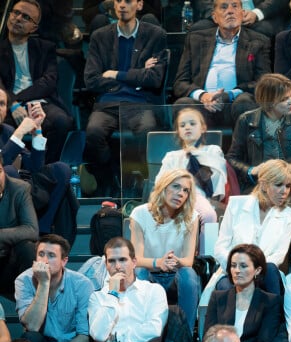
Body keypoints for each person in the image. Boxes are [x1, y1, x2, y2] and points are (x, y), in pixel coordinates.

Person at [83, 0, 167, 196]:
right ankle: (107, 178)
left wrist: (115, 74)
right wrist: (137, 76)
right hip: (108, 102)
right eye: (118, 1)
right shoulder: (100, 36)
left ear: (139, 5)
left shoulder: (155, 35)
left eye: (128, 1)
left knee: (147, 130)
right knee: (94, 133)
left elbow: (154, 79)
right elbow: (91, 80)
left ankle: (138, 182)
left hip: (140, 103)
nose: (122, 5)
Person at [173, 0, 271, 129]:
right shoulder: (195, 39)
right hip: (203, 104)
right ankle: (191, 149)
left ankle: (245, 149)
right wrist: (203, 96)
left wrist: (229, 95)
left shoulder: (258, 41)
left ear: (242, 13)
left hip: (235, 103)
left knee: (245, 102)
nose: (230, 11)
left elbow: (263, 82)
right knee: (183, 104)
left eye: (235, 6)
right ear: (214, 17)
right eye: (224, 7)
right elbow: (180, 83)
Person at [0, 0, 74, 163]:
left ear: (34, 28)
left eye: (26, 17)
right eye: (16, 13)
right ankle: (11, 171)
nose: (18, 18)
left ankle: (46, 169)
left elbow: (49, 81)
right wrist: (12, 104)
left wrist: (18, 101)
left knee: (62, 122)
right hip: (8, 105)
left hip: (41, 103)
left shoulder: (45, 48)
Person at [130, 169, 200, 334]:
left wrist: (174, 261)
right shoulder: (140, 214)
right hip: (149, 273)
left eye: (185, 190)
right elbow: (136, 259)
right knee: (138, 271)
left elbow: (188, 260)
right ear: (163, 187)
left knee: (189, 274)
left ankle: (187, 336)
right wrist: (158, 263)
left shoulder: (192, 216)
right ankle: (138, 330)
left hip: (175, 275)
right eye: (176, 187)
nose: (180, 193)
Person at [0, 87, 75, 240]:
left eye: (1, 104)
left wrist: (37, 132)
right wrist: (19, 132)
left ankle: (41, 230)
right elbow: (3, 164)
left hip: (22, 186)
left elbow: (35, 167)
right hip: (7, 198)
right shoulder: (13, 132)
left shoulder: (6, 130)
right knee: (8, 172)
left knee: (61, 169)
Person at [213, 159, 291, 295]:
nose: (284, 191)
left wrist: (254, 270)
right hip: (234, 272)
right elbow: (220, 247)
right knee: (226, 287)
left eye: (288, 186)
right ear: (263, 185)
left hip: (265, 273)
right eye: (278, 185)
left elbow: (279, 255)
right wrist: (238, 267)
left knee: (270, 271)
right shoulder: (236, 204)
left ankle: (273, 316)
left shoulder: (289, 215)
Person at [14, 234, 94, 342]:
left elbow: (84, 335)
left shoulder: (81, 284)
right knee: (29, 338)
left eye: (51, 255)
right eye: (41, 254)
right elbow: (32, 326)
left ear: (64, 261)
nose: (45, 260)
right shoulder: (24, 280)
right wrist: (44, 283)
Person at [226, 73, 291, 193]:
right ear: (268, 101)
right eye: (284, 99)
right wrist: (251, 170)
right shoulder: (246, 120)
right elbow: (232, 158)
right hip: (260, 187)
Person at [88, 237, 168, 342]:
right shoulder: (97, 297)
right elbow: (98, 335)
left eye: (123, 260)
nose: (118, 266)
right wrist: (112, 293)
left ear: (134, 262)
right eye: (112, 261)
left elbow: (154, 329)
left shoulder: (154, 291)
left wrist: (116, 337)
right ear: (106, 265)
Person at [204, 244, 282, 342]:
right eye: (233, 265)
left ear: (257, 270)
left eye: (243, 266)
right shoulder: (218, 298)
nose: (237, 270)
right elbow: (209, 335)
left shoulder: (269, 301)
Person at [156, 106, 222, 244]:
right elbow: (159, 183)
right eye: (182, 125)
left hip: (199, 197)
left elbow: (215, 180)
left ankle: (207, 259)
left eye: (192, 124)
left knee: (209, 215)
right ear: (178, 131)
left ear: (203, 128)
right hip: (173, 197)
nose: (187, 127)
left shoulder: (212, 151)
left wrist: (195, 154)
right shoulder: (172, 157)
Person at [0, 136, 38, 297]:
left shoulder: (19, 189)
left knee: (28, 247)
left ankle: (29, 300)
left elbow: (31, 229)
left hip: (8, 262)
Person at [188, 0, 291, 37]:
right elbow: (203, 3)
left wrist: (256, 13)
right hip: (221, 16)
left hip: (258, 16)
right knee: (198, 29)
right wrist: (221, 15)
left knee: (263, 30)